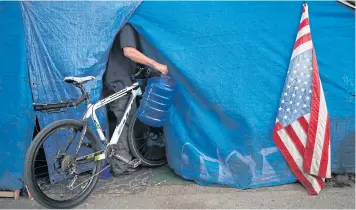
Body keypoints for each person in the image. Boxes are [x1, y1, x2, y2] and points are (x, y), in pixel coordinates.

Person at [103, 23, 168, 176]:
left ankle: (124, 159)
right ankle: (121, 165)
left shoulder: (120, 25)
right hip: (119, 83)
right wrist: (155, 64)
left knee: (126, 120)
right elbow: (129, 51)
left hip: (120, 81)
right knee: (124, 123)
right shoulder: (126, 26)